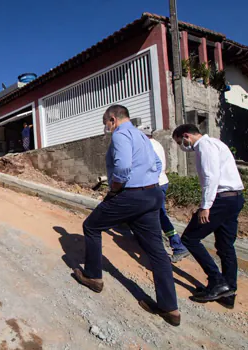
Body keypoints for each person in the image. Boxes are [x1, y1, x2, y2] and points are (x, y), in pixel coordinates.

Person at [73, 105, 180, 326]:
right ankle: (170, 309)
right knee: (157, 251)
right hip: (152, 194)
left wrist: (114, 188)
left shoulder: (121, 135)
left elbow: (122, 167)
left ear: (112, 119)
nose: (107, 128)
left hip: (130, 195)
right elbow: (158, 164)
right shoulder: (142, 136)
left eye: (106, 124)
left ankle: (93, 276)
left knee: (91, 227)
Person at [172, 124, 244, 308]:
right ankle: (228, 291)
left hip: (220, 199)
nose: (182, 146)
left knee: (189, 239)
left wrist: (205, 206)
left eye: (181, 142)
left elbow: (211, 178)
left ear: (187, 136)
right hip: (234, 198)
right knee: (225, 245)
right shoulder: (216, 143)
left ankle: (217, 281)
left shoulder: (204, 146)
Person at [139, 126, 190, 263]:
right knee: (153, 214)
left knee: (159, 216)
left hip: (155, 184)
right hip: (162, 181)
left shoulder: (146, 145)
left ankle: (177, 246)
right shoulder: (157, 144)